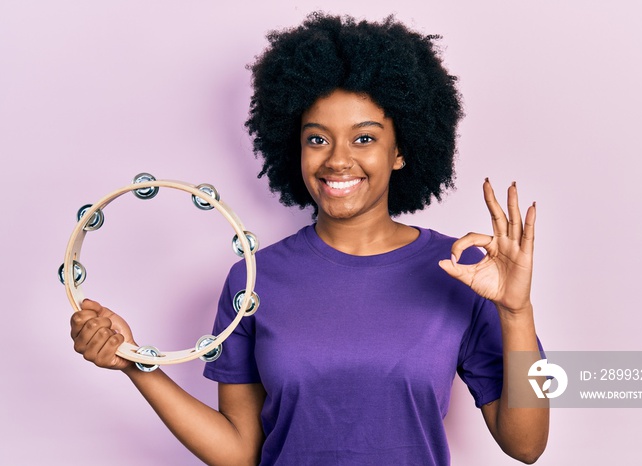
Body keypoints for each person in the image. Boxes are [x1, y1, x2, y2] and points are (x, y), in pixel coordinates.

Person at [70, 13, 549, 466]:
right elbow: (239, 452)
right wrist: (136, 365)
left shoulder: (462, 271)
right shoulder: (254, 278)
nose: (337, 160)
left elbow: (526, 445)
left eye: (364, 139)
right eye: (317, 139)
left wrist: (516, 312)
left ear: (401, 151)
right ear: (293, 147)